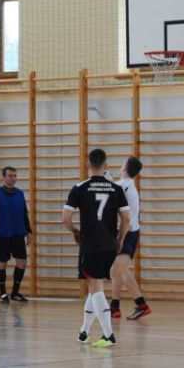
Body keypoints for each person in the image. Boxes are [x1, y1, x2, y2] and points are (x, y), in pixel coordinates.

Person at [62, 148, 131, 347]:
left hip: (90, 244)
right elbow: (126, 219)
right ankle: (84, 331)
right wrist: (120, 238)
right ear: (106, 166)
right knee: (95, 287)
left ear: (87, 164)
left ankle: (109, 335)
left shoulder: (79, 188)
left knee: (95, 288)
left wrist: (75, 232)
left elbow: (65, 218)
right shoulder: (116, 189)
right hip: (109, 245)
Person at [111, 156, 150, 320]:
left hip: (125, 233)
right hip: (132, 231)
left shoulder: (121, 185)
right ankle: (114, 307)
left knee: (122, 271)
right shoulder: (129, 185)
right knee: (115, 271)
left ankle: (142, 305)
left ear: (125, 168)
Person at [0, 165, 33, 303]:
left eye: (15, 176)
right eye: (10, 176)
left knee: (22, 263)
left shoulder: (20, 193)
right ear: (4, 177)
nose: (13, 178)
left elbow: (24, 214)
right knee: (1, 264)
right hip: (2, 234)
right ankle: (3, 294)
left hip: (18, 233)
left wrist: (29, 231)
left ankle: (15, 293)